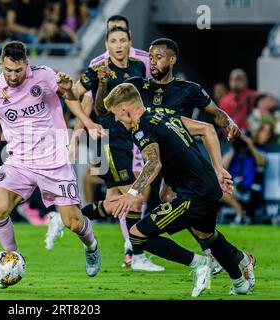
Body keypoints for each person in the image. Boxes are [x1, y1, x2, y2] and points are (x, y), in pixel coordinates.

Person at [0, 41, 105, 287]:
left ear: (26, 63)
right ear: (1, 65)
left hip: (54, 160)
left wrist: (74, 101)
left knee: (73, 222)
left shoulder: (44, 75)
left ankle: (91, 246)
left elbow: (71, 96)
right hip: (19, 161)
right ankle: (12, 258)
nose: (13, 76)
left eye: (18, 70)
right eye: (8, 70)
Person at [104, 82, 256, 296]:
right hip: (207, 187)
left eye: (115, 115)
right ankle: (239, 280)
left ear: (124, 109)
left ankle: (200, 264)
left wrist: (132, 193)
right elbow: (206, 129)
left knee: (137, 235)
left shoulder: (141, 128)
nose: (117, 120)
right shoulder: (163, 116)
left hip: (192, 194)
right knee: (207, 235)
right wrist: (218, 170)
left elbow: (153, 163)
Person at [66, 15, 155, 270]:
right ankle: (135, 254)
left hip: (130, 138)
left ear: (129, 41)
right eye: (113, 40)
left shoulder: (139, 66)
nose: (118, 45)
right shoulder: (98, 68)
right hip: (107, 141)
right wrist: (85, 125)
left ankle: (72, 216)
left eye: (122, 40)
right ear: (106, 42)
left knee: (117, 199)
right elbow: (73, 96)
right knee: (135, 197)